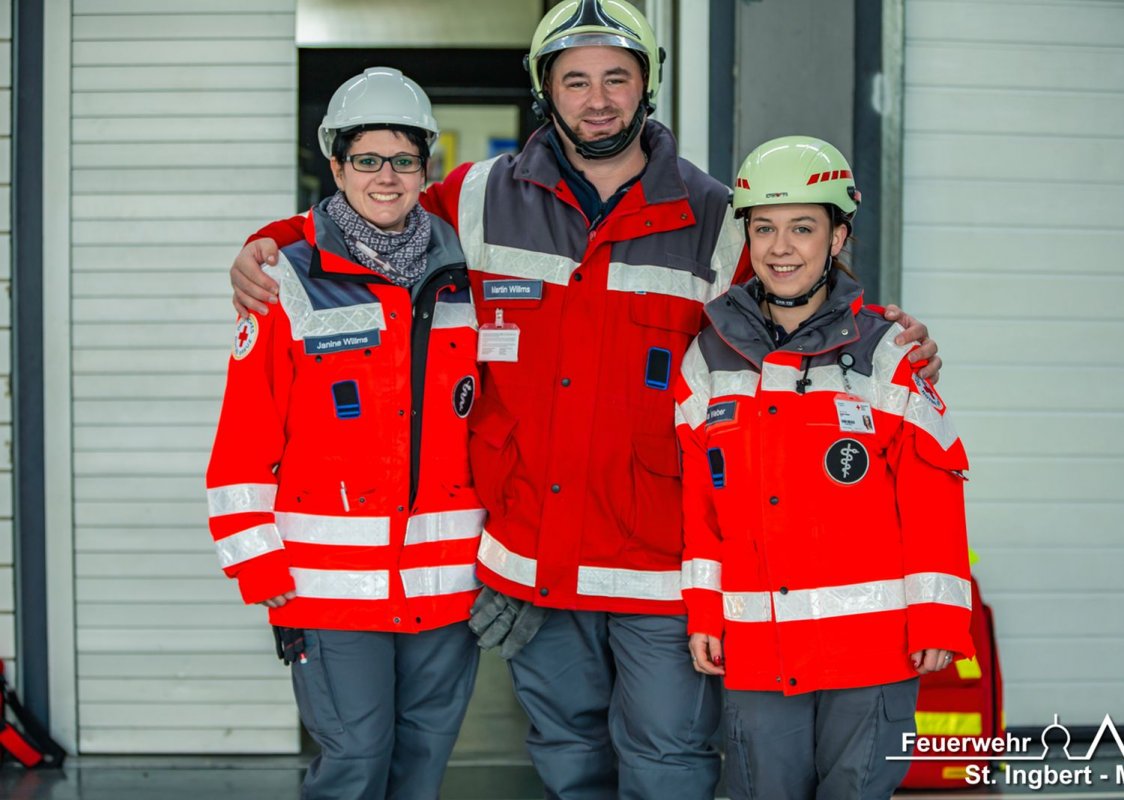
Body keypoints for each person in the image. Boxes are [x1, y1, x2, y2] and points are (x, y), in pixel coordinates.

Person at [227, 3, 940, 797]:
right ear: (544, 90)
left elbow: (796, 306)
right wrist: (267, 246)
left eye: (615, 78)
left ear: (647, 87)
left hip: (659, 565)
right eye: (574, 80)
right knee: (566, 757)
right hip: (531, 558)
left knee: (667, 759)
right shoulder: (475, 198)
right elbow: (365, 219)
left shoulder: (715, 220)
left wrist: (881, 335)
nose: (596, 99)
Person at [205, 67, 485, 800]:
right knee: (354, 763)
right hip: (328, 587)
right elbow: (242, 439)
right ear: (335, 165)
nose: (385, 177)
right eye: (366, 160)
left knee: (420, 765)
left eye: (403, 159)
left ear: (427, 166)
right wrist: (260, 571)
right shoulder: (286, 279)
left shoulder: (467, 280)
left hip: (447, 586)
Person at [675, 136, 975, 800]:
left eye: (803, 228)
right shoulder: (706, 359)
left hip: (872, 651)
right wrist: (703, 611)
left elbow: (932, 493)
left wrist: (934, 617)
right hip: (756, 648)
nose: (782, 247)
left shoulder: (890, 356)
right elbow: (700, 505)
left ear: (837, 236)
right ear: (746, 241)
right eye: (765, 229)